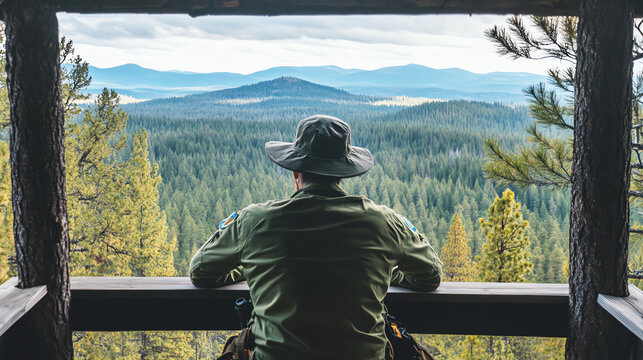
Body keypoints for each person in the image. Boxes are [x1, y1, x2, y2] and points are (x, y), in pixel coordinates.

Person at [189, 115, 442, 360]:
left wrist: (253, 269)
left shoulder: (255, 221)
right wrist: (386, 272)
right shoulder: (384, 222)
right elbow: (430, 275)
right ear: (342, 174)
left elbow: (201, 272)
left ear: (295, 173)